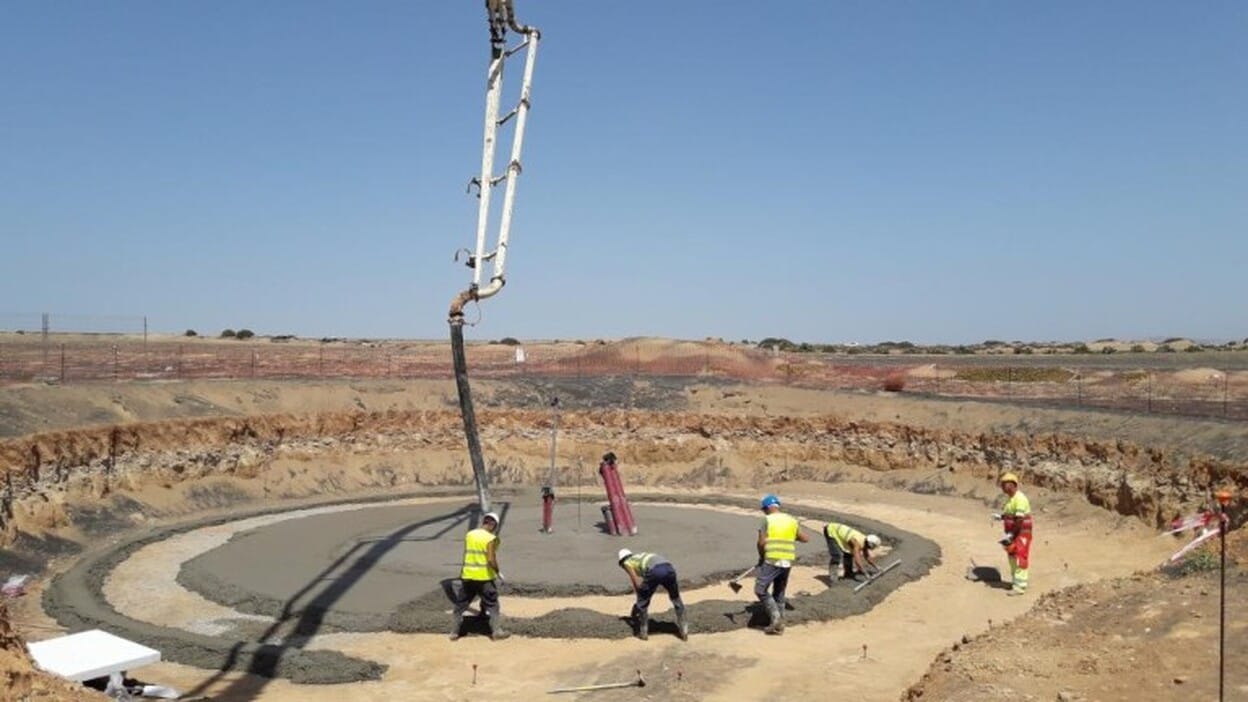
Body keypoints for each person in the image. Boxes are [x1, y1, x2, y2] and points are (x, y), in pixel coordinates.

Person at [451, 511, 510, 640]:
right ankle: (497, 632)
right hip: (484, 577)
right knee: (493, 603)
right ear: (493, 524)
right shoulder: (490, 538)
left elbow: (467, 554)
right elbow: (490, 559)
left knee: (461, 604)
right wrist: (497, 572)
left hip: (468, 575)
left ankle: (454, 632)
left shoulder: (470, 535)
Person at [754, 494, 808, 635]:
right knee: (779, 592)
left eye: (764, 509)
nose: (764, 512)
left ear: (766, 508)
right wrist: (790, 535)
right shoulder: (791, 520)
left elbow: (761, 542)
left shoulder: (767, 520)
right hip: (788, 560)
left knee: (760, 590)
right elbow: (805, 538)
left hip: (773, 559)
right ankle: (780, 622)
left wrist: (761, 557)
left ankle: (776, 619)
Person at [617, 548, 688, 641]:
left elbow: (635, 580)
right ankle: (684, 631)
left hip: (655, 571)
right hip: (669, 568)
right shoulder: (639, 556)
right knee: (676, 598)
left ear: (622, 562)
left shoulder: (627, 562)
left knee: (643, 603)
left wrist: (640, 599)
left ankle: (643, 633)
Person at [994, 473, 1032, 597]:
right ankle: (1015, 582)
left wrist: (1011, 534)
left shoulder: (1020, 498)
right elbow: (1010, 515)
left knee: (1019, 558)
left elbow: (1019, 520)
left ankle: (1020, 587)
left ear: (1012, 484)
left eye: (1004, 484)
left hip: (1020, 534)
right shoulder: (1011, 499)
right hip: (1012, 534)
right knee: (1012, 558)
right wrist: (1001, 517)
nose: (1002, 487)